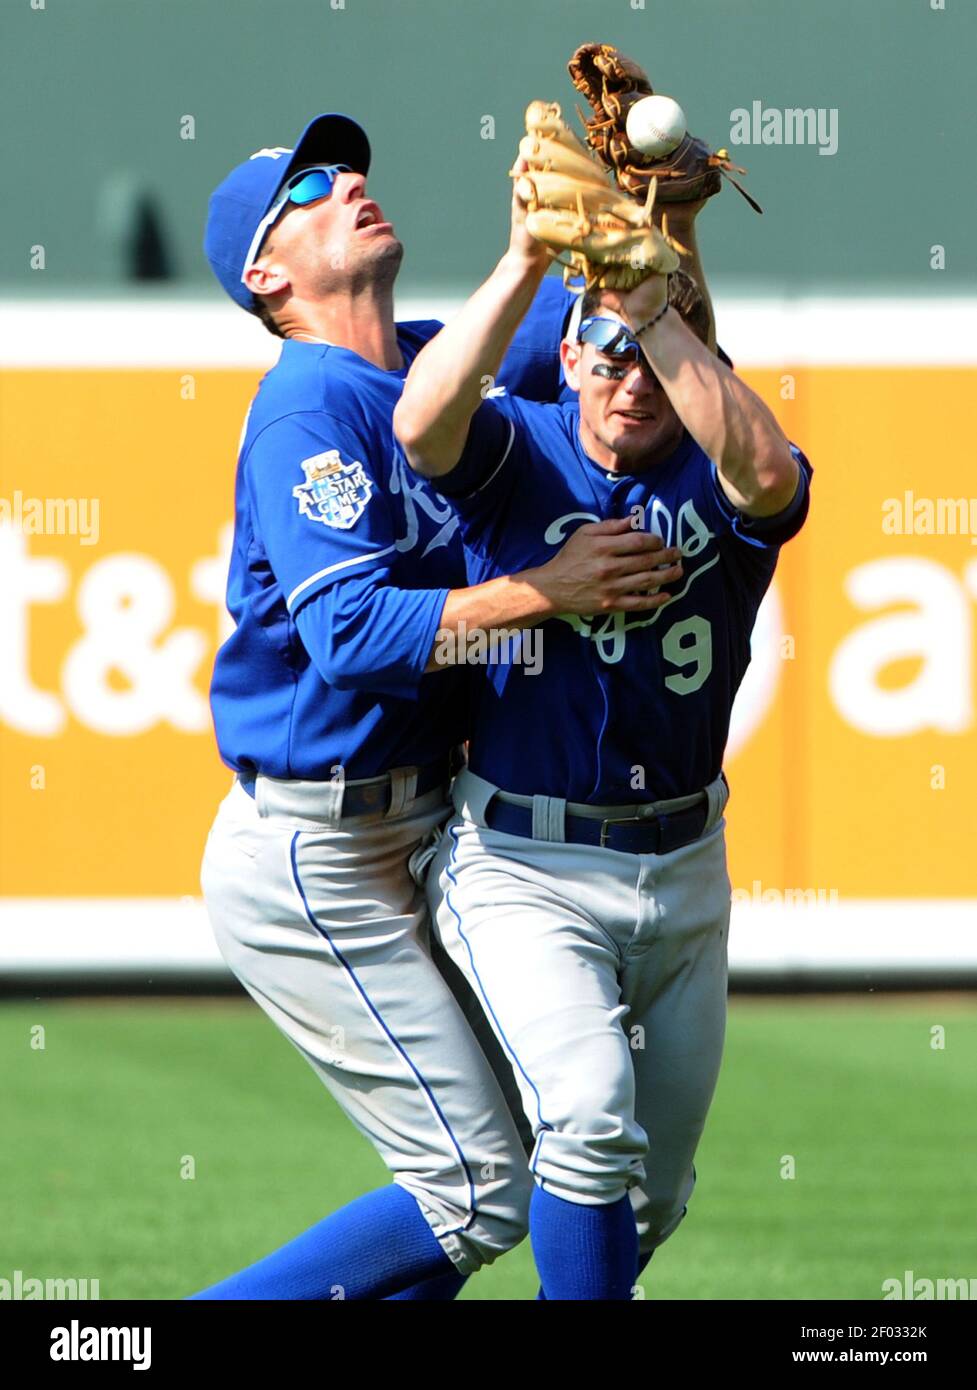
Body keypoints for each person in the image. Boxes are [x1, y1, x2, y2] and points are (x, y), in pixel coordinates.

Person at [192, 113, 681, 1300]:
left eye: (350, 164)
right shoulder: (309, 403)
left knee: (551, 1148)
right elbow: (350, 634)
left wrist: (630, 216)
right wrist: (545, 592)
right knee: (474, 1184)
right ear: (265, 274)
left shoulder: (415, 363)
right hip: (321, 846)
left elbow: (587, 348)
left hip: (420, 833)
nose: (348, 180)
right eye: (306, 187)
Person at [393, 165, 813, 1300]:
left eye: (648, 352)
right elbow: (422, 427)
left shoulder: (712, 462)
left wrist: (649, 297)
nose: (627, 375)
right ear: (566, 357)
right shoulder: (520, 448)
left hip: (683, 864)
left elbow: (767, 474)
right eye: (605, 350)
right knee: (582, 1119)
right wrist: (537, 253)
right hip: (523, 860)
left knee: (650, 1197)